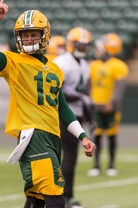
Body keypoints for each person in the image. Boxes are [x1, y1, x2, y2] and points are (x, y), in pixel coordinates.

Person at [0, 0, 96, 208]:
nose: (30, 39)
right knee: (56, 198)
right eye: (25, 35)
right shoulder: (13, 62)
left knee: (37, 199)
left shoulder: (56, 69)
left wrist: (82, 136)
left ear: (44, 35)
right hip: (34, 135)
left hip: (53, 135)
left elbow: (63, 108)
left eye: (34, 34)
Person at [53, 27, 92, 208]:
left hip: (76, 114)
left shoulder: (84, 64)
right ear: (71, 43)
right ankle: (63, 196)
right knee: (66, 155)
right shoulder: (61, 62)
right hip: (61, 113)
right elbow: (55, 92)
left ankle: (67, 195)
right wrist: (79, 97)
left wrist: (88, 116)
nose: (82, 48)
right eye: (79, 44)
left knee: (72, 156)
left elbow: (84, 94)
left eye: (84, 45)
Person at [87, 33, 129, 177]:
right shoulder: (93, 65)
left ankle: (111, 165)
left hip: (111, 107)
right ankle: (96, 166)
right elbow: (88, 86)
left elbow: (119, 88)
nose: (98, 50)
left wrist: (113, 103)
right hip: (96, 105)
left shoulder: (118, 65)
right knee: (96, 136)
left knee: (111, 136)